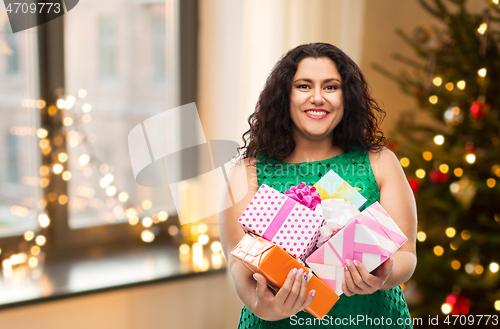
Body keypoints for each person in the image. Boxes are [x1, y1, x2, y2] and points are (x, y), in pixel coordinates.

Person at [219, 43, 417, 328]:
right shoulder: (247, 172)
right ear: (284, 96)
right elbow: (239, 263)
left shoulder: (380, 162)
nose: (317, 98)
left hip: (372, 317)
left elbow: (406, 254)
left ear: (346, 97)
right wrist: (265, 307)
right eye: (303, 86)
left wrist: (383, 276)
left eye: (330, 87)